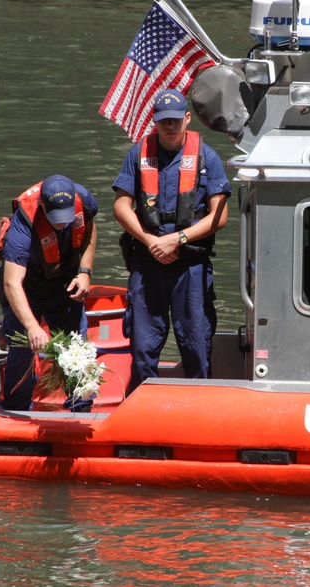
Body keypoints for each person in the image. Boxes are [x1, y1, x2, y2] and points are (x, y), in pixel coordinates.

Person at [112, 88, 231, 392]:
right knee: (142, 348)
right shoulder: (137, 154)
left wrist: (176, 239)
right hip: (147, 262)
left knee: (196, 346)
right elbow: (121, 207)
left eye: (176, 120)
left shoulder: (208, 157)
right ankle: (140, 415)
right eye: (164, 121)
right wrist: (151, 241)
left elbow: (220, 215)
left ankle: (198, 410)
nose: (170, 126)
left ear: (187, 119)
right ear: (154, 121)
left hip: (189, 265)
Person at [0, 174, 99, 411]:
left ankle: (80, 406)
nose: (62, 223)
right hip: (28, 287)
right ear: (43, 207)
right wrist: (33, 327)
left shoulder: (83, 201)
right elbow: (12, 283)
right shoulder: (22, 227)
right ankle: (17, 409)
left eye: (66, 219)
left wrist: (85, 272)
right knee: (22, 350)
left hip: (63, 283)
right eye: (56, 219)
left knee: (76, 348)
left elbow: (90, 230)